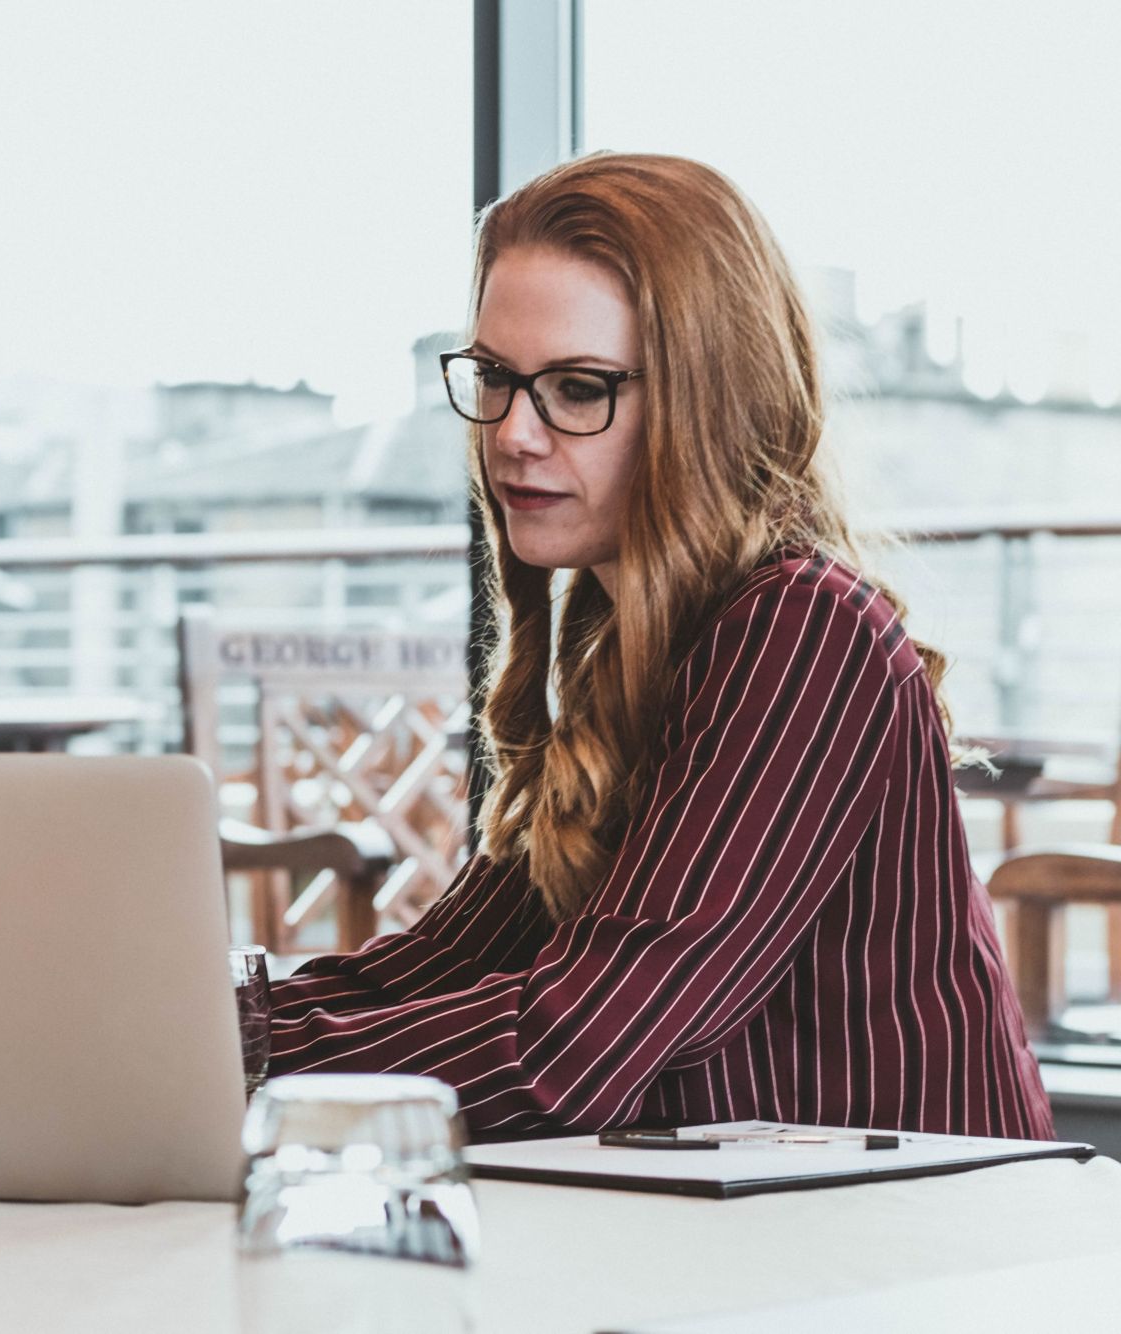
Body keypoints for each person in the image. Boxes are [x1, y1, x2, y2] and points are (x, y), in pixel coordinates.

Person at [267, 153, 1052, 1141]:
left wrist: (239, 1065)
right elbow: (440, 964)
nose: (513, 432)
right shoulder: (621, 646)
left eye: (577, 388)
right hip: (736, 1232)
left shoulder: (803, 632)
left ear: (703, 401)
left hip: (905, 1253)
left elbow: (571, 1049)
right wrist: (219, 1020)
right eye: (496, 378)